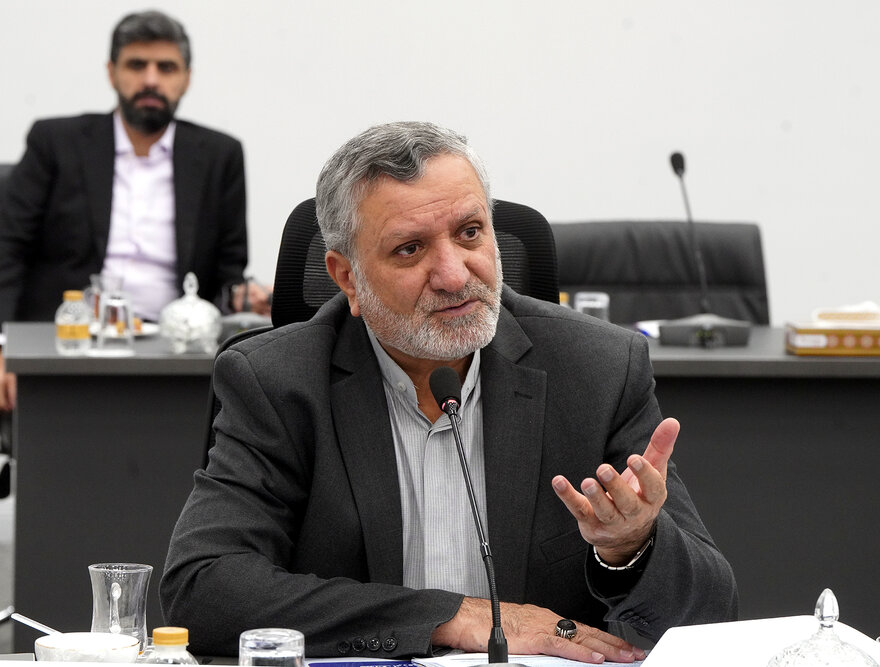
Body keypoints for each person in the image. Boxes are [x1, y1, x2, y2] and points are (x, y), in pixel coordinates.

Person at [160, 122, 738, 663]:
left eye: (469, 233)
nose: (456, 274)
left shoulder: (597, 369)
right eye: (410, 249)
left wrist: (632, 548)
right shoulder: (278, 382)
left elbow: (712, 613)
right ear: (347, 278)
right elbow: (202, 587)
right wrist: (450, 617)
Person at [0, 10, 268, 415]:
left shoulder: (218, 156)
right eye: (137, 65)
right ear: (111, 72)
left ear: (187, 78)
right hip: (66, 348)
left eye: (166, 67)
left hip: (174, 356)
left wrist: (242, 298)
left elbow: (226, 275)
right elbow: (4, 248)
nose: (151, 80)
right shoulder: (56, 143)